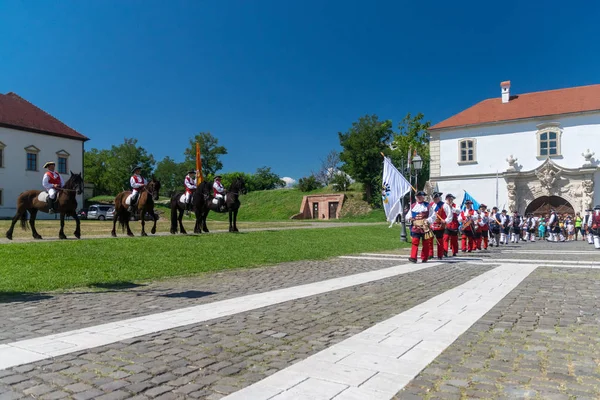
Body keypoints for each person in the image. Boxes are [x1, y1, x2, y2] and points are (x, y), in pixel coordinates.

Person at [405, 191, 434, 263]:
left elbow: (433, 216)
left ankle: (424, 257)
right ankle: (413, 257)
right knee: (415, 241)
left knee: (426, 243)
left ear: (423, 197)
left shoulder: (428, 206)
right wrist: (410, 218)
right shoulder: (413, 206)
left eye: (420, 196)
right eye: (418, 197)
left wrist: (427, 220)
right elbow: (408, 215)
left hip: (425, 227)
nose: (419, 198)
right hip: (416, 227)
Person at [427, 192, 446, 260]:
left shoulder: (443, 205)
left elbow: (447, 214)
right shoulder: (431, 205)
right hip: (431, 225)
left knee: (439, 240)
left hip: (439, 225)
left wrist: (444, 221)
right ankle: (430, 253)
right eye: (434, 198)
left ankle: (440, 255)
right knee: (429, 240)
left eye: (436, 198)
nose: (435, 199)